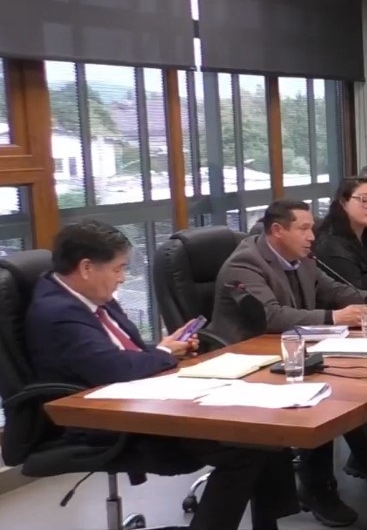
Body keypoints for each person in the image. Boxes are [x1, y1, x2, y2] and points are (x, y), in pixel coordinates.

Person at [25, 220, 299, 530]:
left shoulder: (88, 296)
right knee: (244, 447)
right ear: (86, 267)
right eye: (117, 269)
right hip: (102, 420)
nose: (122, 278)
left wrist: (163, 349)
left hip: (138, 397)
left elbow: (122, 351)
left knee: (263, 430)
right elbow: (115, 368)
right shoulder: (58, 313)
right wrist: (164, 354)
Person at [207, 199, 367, 528]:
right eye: (304, 228)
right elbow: (271, 316)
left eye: (312, 227)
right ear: (277, 230)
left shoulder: (302, 258)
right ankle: (316, 486)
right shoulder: (245, 264)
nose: (312, 236)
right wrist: (334, 318)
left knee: (351, 383)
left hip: (293, 350)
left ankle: (345, 473)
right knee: (322, 396)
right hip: (250, 361)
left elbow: (332, 289)